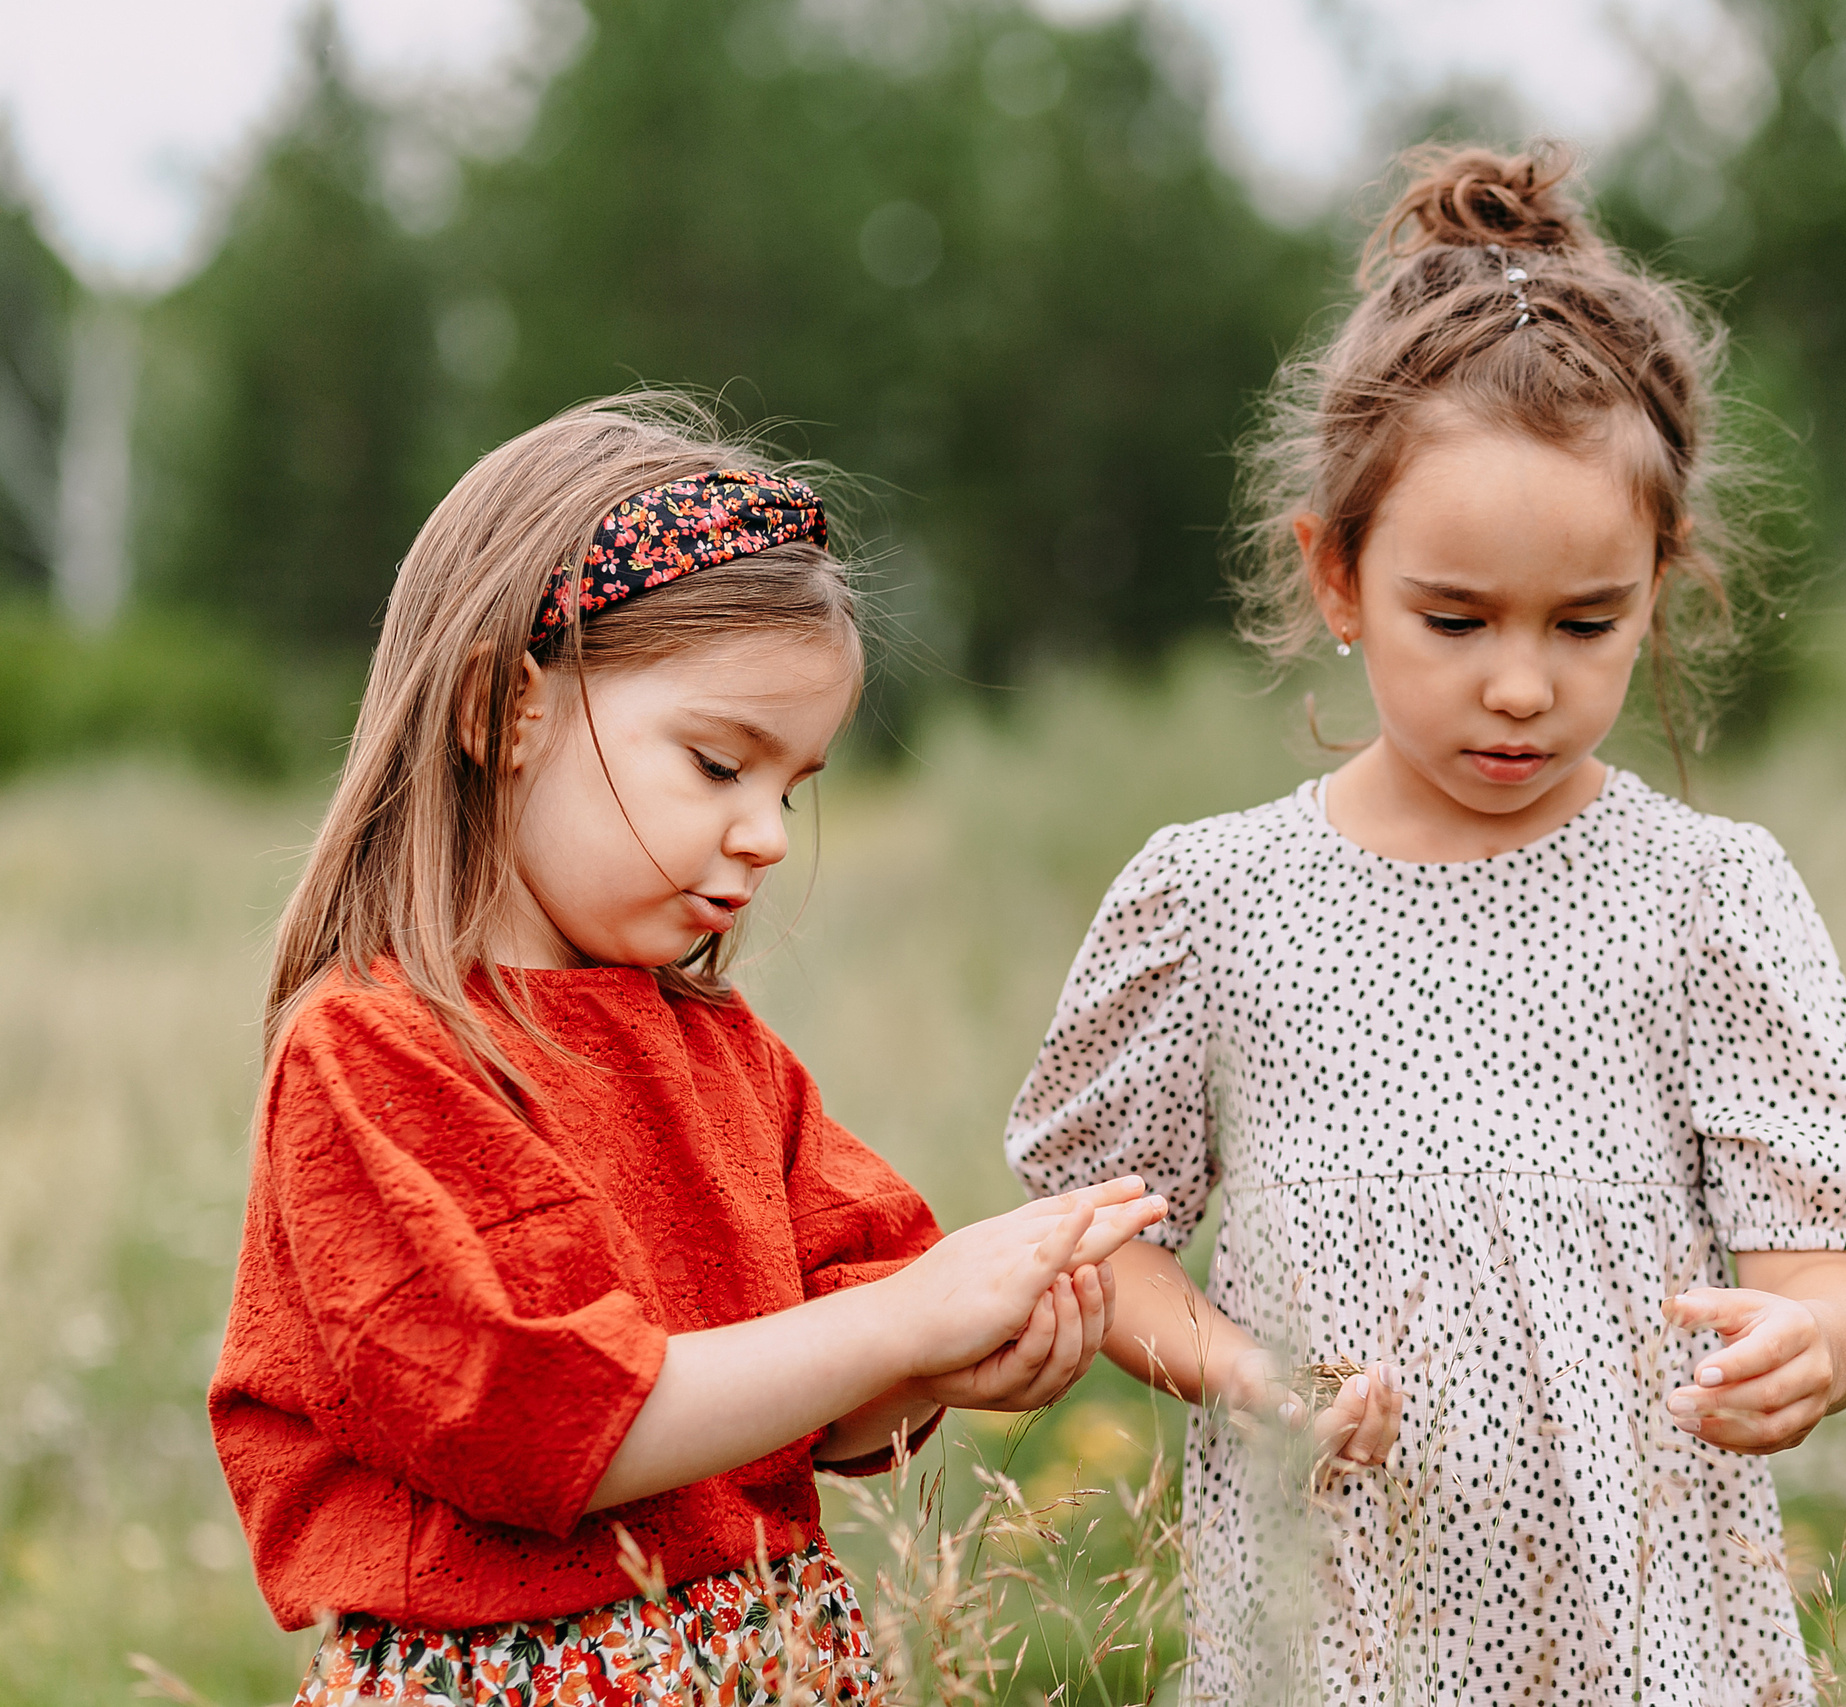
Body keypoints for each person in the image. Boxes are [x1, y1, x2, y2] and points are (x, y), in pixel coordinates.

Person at [1006, 148, 1846, 1705]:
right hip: (1340, 1612)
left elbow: (1822, 1274)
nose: (1521, 685)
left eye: (1587, 625)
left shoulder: (1710, 898)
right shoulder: (1212, 900)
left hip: (1640, 1627)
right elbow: (1108, 1248)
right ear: (1339, 574)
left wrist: (1816, 1353)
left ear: (1661, 587)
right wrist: (1251, 1375)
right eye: (1456, 620)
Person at [211, 398, 1166, 1706]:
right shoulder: (377, 1057)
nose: (768, 832)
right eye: (720, 764)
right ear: (506, 709)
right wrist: (897, 1322)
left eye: (794, 786)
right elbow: (550, 1426)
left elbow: (828, 1396)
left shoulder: (726, 1059)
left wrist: (947, 1357)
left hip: (767, 1662)